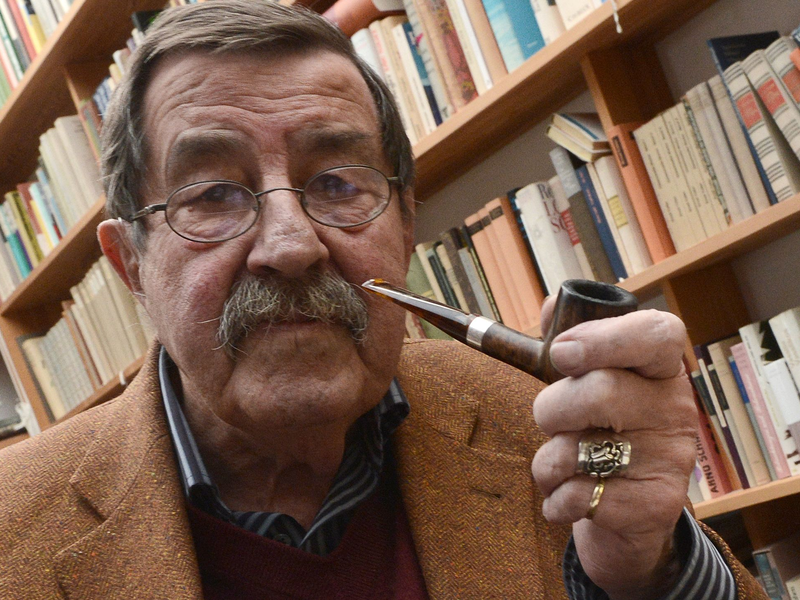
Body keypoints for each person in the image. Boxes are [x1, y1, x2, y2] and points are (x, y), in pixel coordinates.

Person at [0, 1, 766, 598]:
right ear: (131, 263)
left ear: (404, 223)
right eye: (211, 195)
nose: (291, 245)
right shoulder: (14, 531)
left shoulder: (539, 426)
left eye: (337, 183)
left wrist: (650, 574)